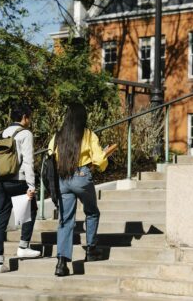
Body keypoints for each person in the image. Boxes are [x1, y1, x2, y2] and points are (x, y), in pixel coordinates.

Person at [48, 103, 110, 277]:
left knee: (65, 220)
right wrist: (103, 160)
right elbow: (99, 160)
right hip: (81, 176)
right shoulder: (88, 134)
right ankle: (91, 250)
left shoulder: (58, 135)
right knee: (92, 212)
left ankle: (61, 263)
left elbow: (49, 154)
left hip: (62, 178)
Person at [0, 103, 40, 274]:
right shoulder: (25, 133)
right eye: (30, 116)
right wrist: (31, 185)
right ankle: (23, 246)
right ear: (25, 117)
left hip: (0, 180)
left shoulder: (2, 133)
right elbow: (28, 161)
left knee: (1, 220)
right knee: (31, 209)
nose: (30, 120)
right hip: (18, 179)